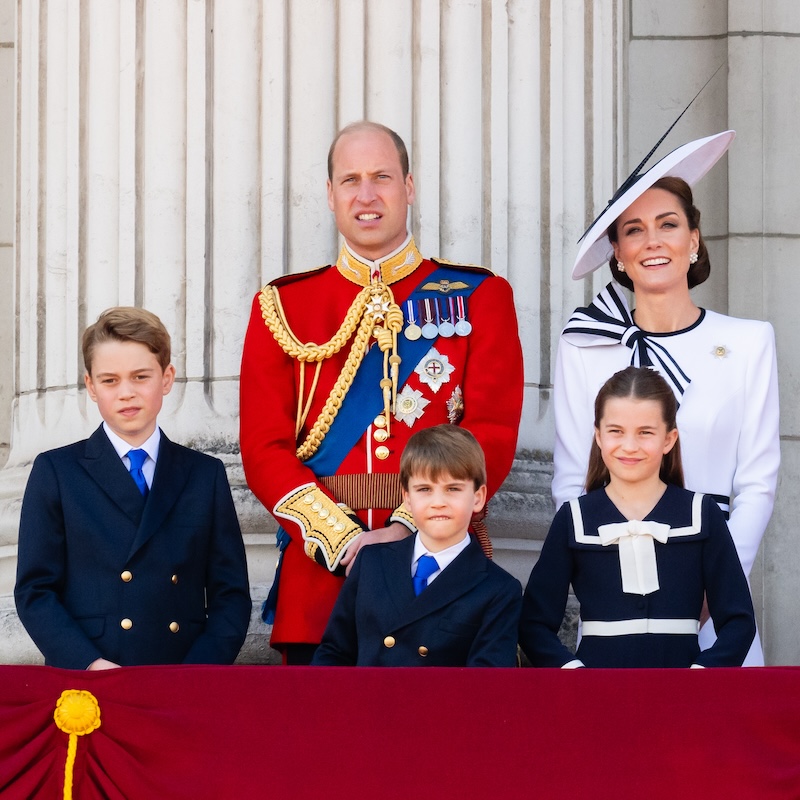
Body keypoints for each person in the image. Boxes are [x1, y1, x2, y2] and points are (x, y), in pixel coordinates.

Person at [239, 121, 524, 665]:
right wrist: (344, 544)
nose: (366, 195)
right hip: (321, 588)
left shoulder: (480, 297)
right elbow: (262, 448)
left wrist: (405, 528)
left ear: (409, 187)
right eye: (350, 180)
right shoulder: (282, 306)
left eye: (382, 178)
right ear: (330, 195)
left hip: (437, 582)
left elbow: (491, 431)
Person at [553, 131, 779, 665]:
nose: (653, 241)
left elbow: (757, 483)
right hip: (614, 592)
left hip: (713, 598)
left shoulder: (750, 342)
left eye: (668, 224)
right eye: (634, 230)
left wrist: (712, 584)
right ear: (619, 254)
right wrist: (603, 578)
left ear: (694, 239)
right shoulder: (585, 346)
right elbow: (569, 480)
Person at [15, 307, 251, 669]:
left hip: (182, 678)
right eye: (109, 380)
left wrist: (198, 673)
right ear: (91, 386)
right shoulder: (57, 472)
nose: (126, 393)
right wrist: (90, 664)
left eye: (141, 377)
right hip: (90, 679)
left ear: (167, 378)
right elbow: (35, 591)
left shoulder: (205, 475)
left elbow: (230, 594)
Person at [521, 366, 755, 668]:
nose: (629, 446)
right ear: (599, 436)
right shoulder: (574, 517)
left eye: (645, 432)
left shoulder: (701, 513)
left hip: (683, 696)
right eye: (616, 431)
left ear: (669, 439)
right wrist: (573, 673)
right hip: (597, 695)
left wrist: (702, 677)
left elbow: (739, 620)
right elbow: (534, 624)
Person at [312, 425, 521, 666]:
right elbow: (333, 655)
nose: (438, 503)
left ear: (478, 498)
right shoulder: (370, 563)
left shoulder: (498, 589)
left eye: (453, 489)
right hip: (364, 702)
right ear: (407, 499)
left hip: (440, 704)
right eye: (424, 490)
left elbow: (486, 686)